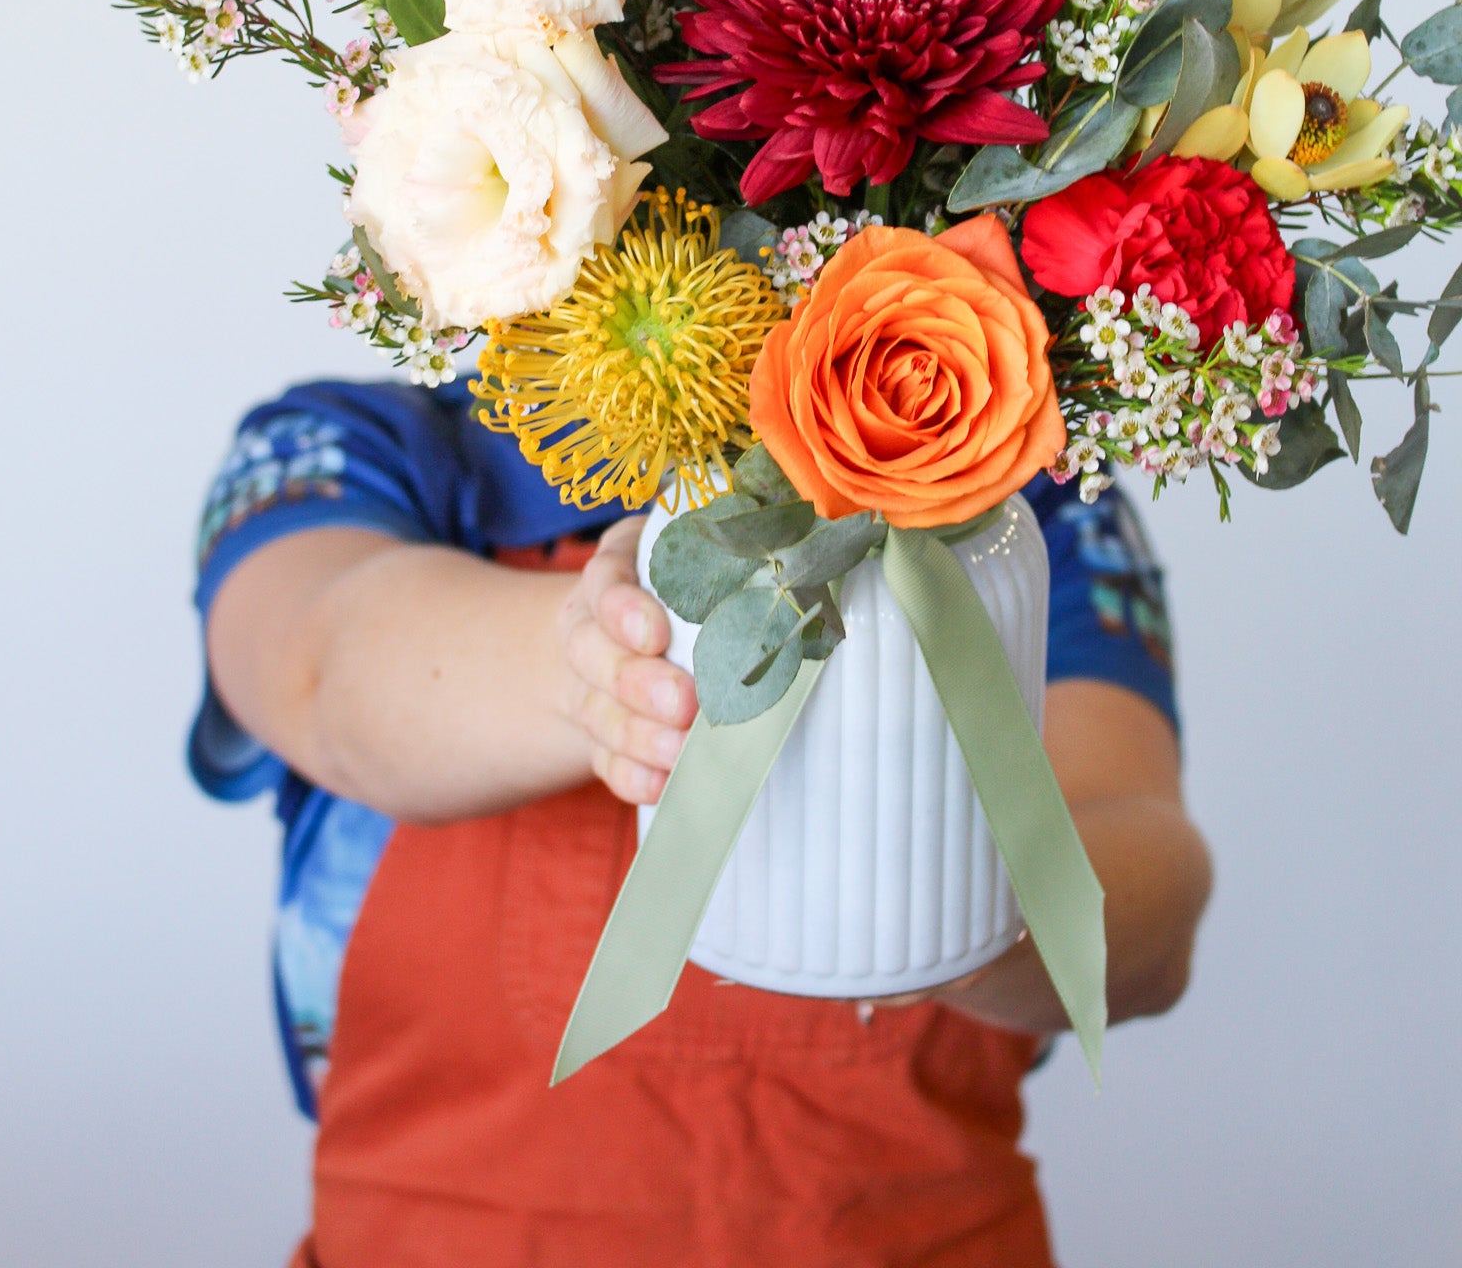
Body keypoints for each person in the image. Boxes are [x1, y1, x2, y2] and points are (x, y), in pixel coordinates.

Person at [194, 369, 1212, 1268]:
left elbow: (1150, 923)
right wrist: (615, 658)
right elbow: (315, 667)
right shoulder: (367, 448)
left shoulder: (1019, 493)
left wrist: (953, 905)